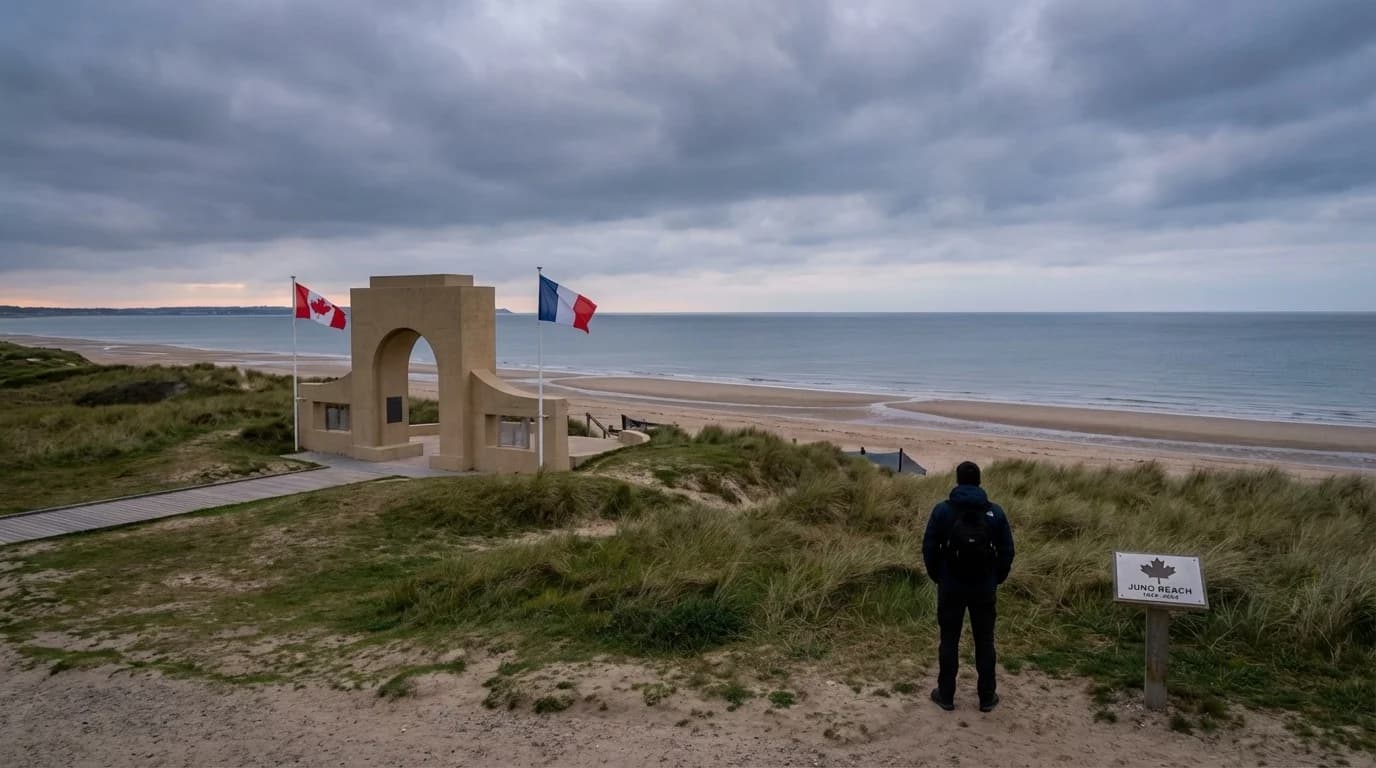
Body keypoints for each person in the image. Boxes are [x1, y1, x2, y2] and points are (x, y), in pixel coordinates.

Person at [922, 460, 1015, 712]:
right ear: (979, 482)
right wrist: (995, 578)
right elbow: (1007, 551)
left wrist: (939, 576)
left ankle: (946, 695)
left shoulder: (943, 511)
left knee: (949, 640)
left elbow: (929, 548)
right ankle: (987, 697)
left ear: (958, 480)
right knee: (984, 641)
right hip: (984, 587)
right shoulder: (995, 512)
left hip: (951, 586)